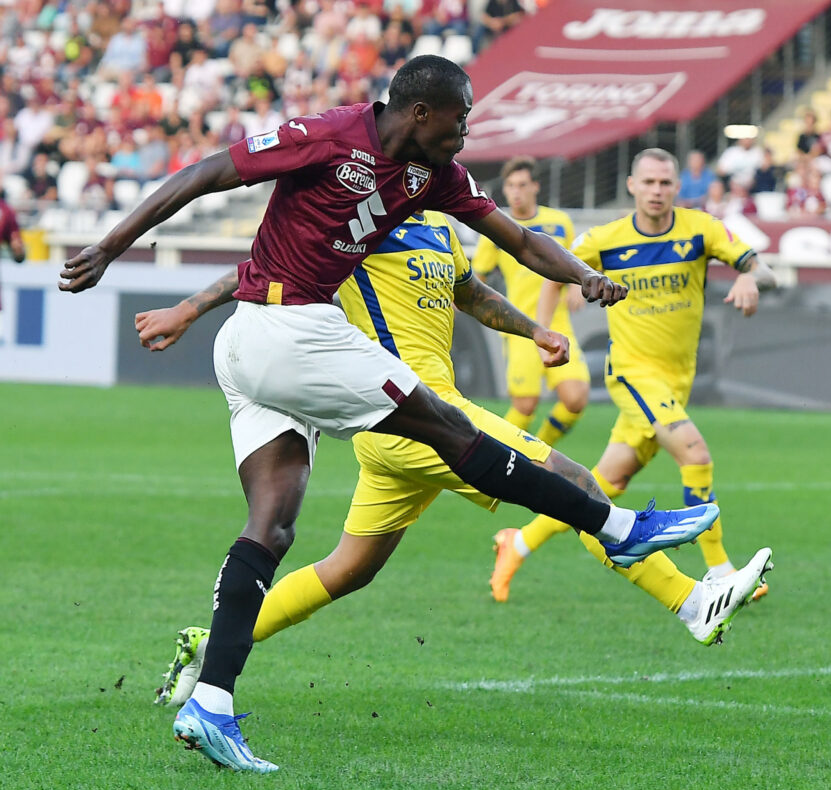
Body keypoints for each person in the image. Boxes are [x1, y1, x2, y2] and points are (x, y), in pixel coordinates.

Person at [58, 56, 720, 773]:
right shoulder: (329, 136)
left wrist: (584, 276)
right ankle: (617, 527)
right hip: (290, 330)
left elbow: (520, 242)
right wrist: (111, 246)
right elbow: (206, 174)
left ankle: (211, 700)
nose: (466, 136)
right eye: (460, 121)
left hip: (258, 347)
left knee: (273, 522)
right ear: (422, 112)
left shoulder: (436, 179)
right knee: (451, 427)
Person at [144, 213, 771, 709]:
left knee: (350, 568)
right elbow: (256, 272)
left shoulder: (440, 227)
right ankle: (692, 603)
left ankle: (212, 643)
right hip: (406, 415)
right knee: (576, 485)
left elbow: (470, 294)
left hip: (421, 421)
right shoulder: (352, 229)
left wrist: (534, 331)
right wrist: (189, 310)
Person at [490, 148, 776, 606]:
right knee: (695, 453)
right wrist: (546, 332)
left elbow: (764, 268)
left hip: (675, 380)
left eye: (665, 183)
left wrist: (750, 277)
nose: (657, 191)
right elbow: (552, 272)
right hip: (632, 373)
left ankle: (517, 544)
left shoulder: (700, 229)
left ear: (677, 186)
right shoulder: (607, 237)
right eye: (648, 183)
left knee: (601, 489)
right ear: (631, 186)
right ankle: (720, 571)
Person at [472, 157, 590, 449]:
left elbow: (576, 263)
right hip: (520, 326)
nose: (516, 192)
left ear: (535, 186)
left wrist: (578, 286)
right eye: (511, 186)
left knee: (575, 398)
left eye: (522, 185)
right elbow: (479, 277)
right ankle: (497, 457)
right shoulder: (497, 226)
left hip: (558, 323)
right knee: (525, 405)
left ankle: (542, 450)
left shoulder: (559, 223)